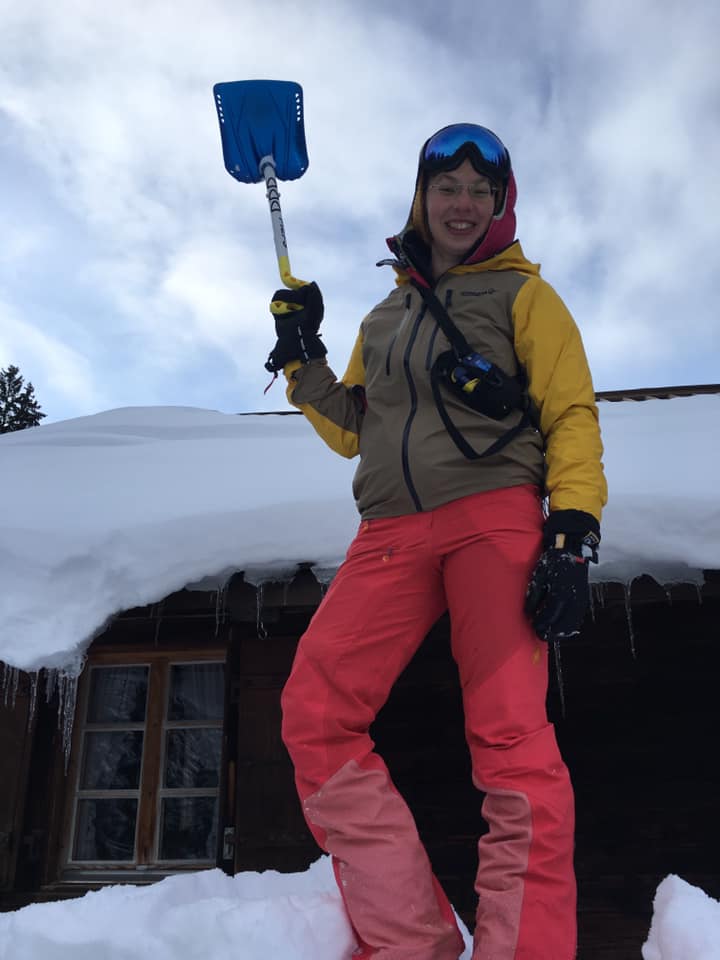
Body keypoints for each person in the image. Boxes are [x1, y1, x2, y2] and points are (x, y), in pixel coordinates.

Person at [264, 123, 607, 960]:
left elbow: (569, 411)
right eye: (447, 187)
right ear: (421, 198)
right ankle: (411, 941)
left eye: (480, 191)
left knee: (509, 736)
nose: (462, 203)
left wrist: (572, 528)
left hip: (494, 518)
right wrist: (301, 357)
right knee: (315, 713)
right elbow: (356, 427)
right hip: (388, 531)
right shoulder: (386, 316)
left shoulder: (525, 297)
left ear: (501, 205)